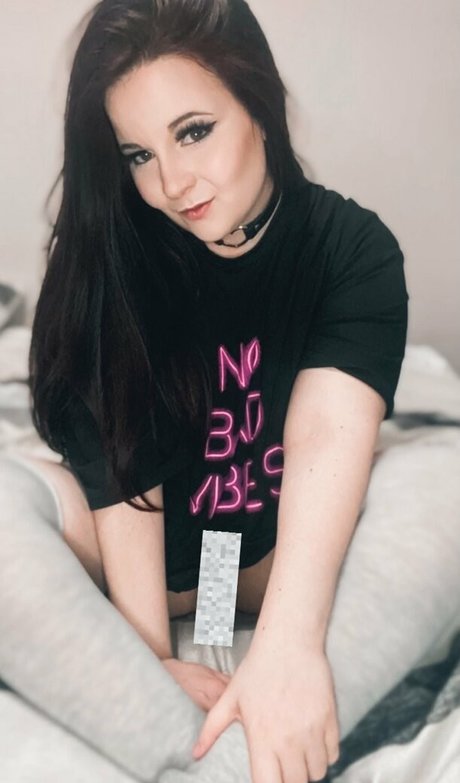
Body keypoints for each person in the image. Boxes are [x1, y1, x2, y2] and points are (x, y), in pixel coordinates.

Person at [18, 0, 409, 781]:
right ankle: (210, 761)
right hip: (136, 551)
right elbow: (114, 462)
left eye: (193, 132)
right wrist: (146, 656)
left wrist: (289, 644)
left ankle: (260, 725)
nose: (171, 183)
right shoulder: (114, 249)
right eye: (138, 154)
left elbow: (326, 434)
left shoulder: (349, 249)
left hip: (276, 546)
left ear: (259, 105)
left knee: (447, 479)